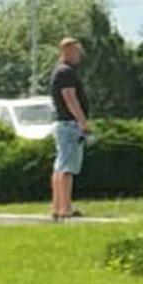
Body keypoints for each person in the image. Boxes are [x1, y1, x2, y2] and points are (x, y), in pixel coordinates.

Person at [50, 37, 90, 221]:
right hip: (69, 125)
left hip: (63, 124)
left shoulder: (60, 71)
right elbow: (70, 99)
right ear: (66, 51)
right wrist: (83, 122)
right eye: (76, 51)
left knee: (60, 167)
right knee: (67, 168)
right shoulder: (66, 73)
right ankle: (65, 209)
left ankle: (58, 207)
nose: (79, 55)